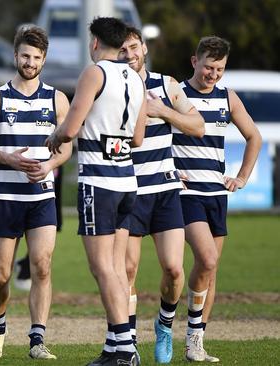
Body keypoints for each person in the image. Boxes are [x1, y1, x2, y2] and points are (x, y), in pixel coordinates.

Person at [45, 17, 147, 366]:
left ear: (94, 43)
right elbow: (137, 138)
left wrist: (55, 135)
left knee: (102, 266)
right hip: (127, 181)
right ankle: (118, 345)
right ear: (121, 44)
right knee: (117, 268)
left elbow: (71, 127)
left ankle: (124, 350)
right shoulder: (135, 77)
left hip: (99, 182)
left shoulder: (94, 73)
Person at [0, 25, 71, 360]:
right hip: (6, 198)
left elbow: (68, 147)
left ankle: (37, 339)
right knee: (0, 275)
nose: (30, 62)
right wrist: (8, 158)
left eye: (36, 57)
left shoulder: (56, 98)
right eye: (25, 55)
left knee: (42, 265)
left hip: (41, 197)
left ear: (44, 60)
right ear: (15, 56)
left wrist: (51, 164)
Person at [118, 26, 205, 364]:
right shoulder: (111, 88)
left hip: (166, 191)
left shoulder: (167, 85)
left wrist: (162, 111)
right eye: (123, 49)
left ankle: (165, 325)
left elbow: (197, 127)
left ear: (144, 48)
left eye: (134, 47)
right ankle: (129, 341)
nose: (129, 54)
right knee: (127, 269)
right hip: (129, 190)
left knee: (173, 270)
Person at [172, 36, 261, 362]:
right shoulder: (174, 93)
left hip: (216, 194)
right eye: (208, 67)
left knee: (210, 270)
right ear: (194, 61)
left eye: (219, 69)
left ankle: (195, 341)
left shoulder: (228, 98)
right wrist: (168, 168)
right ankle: (171, 322)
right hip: (186, 193)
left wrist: (241, 178)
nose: (213, 74)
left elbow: (254, 137)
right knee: (206, 259)